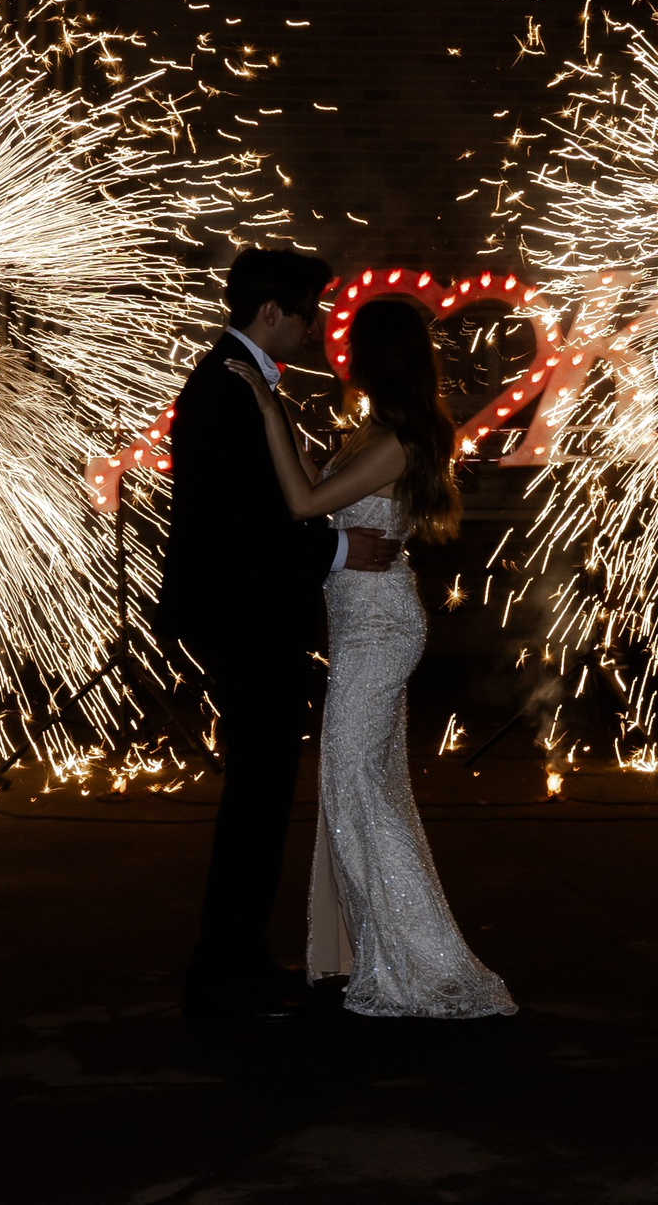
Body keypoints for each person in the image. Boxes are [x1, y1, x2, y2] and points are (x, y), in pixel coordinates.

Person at [224, 296, 516, 1019]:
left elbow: (302, 506)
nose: (343, 355)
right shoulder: (377, 432)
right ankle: (381, 950)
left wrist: (268, 409)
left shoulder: (398, 440)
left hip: (380, 629)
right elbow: (321, 495)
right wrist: (282, 421)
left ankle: (424, 961)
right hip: (363, 626)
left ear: (378, 356)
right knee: (363, 784)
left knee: (355, 784)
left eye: (354, 345)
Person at [162, 248, 401, 1026]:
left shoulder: (241, 380)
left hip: (252, 614)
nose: (316, 328)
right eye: (308, 312)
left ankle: (240, 957)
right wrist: (338, 549)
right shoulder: (229, 387)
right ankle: (223, 974)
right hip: (246, 616)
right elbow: (240, 528)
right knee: (256, 801)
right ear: (272, 312)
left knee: (261, 797)